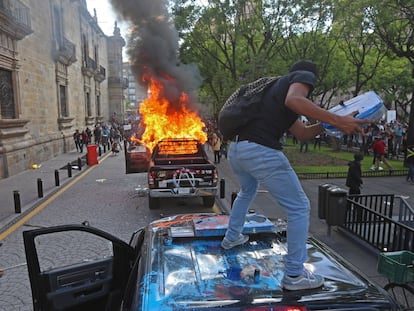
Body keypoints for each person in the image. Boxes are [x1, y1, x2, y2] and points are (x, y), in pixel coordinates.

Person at [220, 60, 370, 291]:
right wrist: (338, 119)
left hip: (237, 151)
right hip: (260, 151)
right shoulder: (301, 77)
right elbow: (295, 99)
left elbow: (302, 133)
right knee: (299, 207)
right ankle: (294, 275)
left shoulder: (270, 94)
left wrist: (330, 122)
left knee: (247, 191)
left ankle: (232, 238)